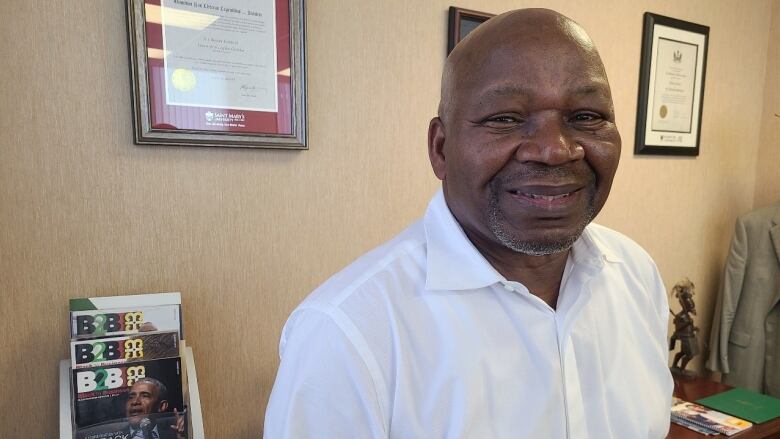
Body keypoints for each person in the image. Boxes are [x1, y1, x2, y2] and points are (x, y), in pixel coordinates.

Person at [265, 8, 673, 438]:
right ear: (441, 149)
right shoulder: (346, 334)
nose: (555, 150)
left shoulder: (636, 275)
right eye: (505, 119)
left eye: (586, 117)